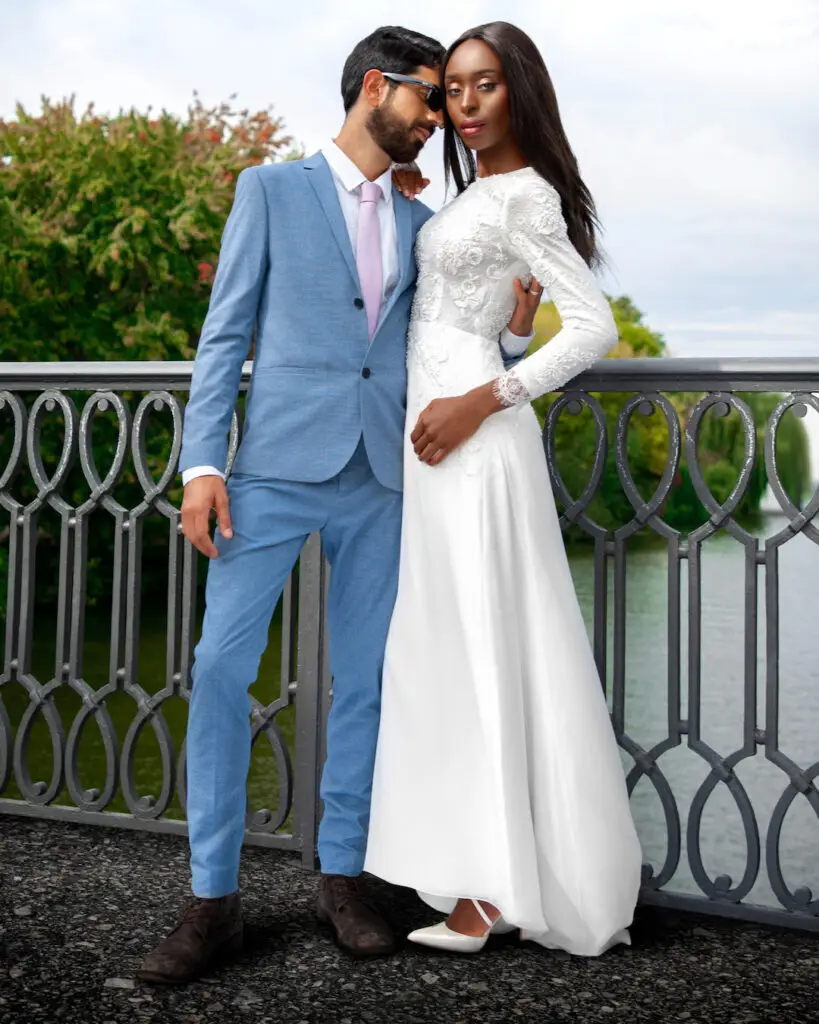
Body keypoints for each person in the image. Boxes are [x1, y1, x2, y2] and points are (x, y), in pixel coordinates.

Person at [138, 26, 537, 984]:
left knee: (363, 682)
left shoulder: (421, 224)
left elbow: (447, 347)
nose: (440, 116)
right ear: (374, 89)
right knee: (220, 669)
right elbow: (223, 332)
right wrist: (203, 465)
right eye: (429, 97)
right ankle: (212, 902)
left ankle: (343, 878)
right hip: (270, 469)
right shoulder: (268, 191)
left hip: (380, 475)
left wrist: (516, 341)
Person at [363, 21, 643, 956]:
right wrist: (506, 337)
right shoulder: (471, 194)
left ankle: (488, 895)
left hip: (472, 445)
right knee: (448, 651)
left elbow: (595, 328)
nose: (466, 105)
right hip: (437, 445)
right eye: (455, 90)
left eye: (486, 85)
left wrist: (486, 396)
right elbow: (475, 311)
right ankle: (479, 874)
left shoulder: (526, 197)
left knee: (480, 648)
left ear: (520, 91)